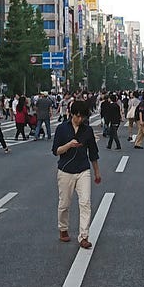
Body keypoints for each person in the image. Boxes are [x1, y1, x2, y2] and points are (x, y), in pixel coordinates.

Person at [52, 99, 102, 247]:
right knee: (64, 204)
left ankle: (84, 236)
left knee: (85, 202)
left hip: (83, 169)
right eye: (77, 116)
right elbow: (56, 151)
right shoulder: (62, 128)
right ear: (71, 114)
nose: (80, 120)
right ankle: (63, 228)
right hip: (65, 170)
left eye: (83, 117)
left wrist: (97, 172)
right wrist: (69, 145)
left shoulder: (88, 130)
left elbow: (93, 152)